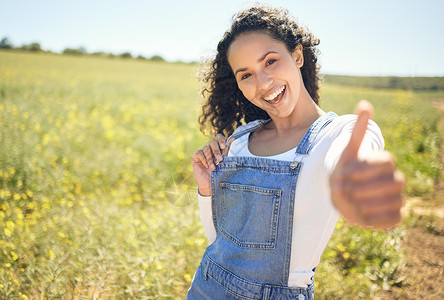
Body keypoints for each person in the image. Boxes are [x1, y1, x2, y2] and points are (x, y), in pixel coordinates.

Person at [188, 5, 404, 299]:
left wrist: (356, 176)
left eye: (271, 61)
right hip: (205, 286)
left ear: (298, 55)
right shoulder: (239, 139)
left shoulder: (337, 134)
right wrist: (206, 189)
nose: (263, 83)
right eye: (246, 75)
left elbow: (353, 150)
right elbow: (220, 244)